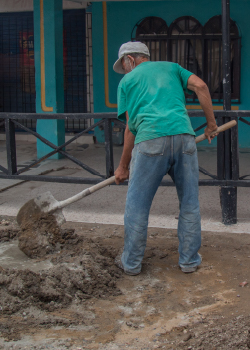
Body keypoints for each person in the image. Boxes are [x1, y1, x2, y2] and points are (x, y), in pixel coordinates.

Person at [113, 41, 218, 276]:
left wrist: (122, 167)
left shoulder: (127, 82)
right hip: (184, 139)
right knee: (190, 204)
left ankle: (130, 263)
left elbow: (130, 128)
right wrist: (211, 125)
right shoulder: (173, 68)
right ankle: (189, 261)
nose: (126, 69)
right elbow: (200, 86)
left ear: (130, 59)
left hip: (150, 141)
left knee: (137, 207)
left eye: (124, 64)